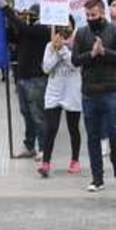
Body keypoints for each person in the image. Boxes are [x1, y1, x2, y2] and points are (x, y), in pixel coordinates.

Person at [71, 0, 116, 192]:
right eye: (87, 15)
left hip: (111, 90)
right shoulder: (81, 33)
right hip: (89, 92)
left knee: (115, 132)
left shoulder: (115, 31)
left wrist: (104, 51)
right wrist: (92, 54)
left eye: (93, 14)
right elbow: (75, 60)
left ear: (102, 13)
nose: (90, 18)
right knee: (93, 136)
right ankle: (97, 178)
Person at [2, 0, 51, 159]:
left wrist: (8, 11)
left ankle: (43, 148)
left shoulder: (44, 31)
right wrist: (10, 23)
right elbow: (12, 37)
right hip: (23, 78)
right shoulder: (27, 31)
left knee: (37, 115)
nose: (29, 18)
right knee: (26, 114)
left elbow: (24, 29)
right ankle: (29, 145)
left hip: (36, 79)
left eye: (32, 16)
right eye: (28, 15)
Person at [38, 26, 82, 177]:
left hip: (72, 91)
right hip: (54, 93)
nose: (62, 34)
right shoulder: (49, 46)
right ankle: (45, 163)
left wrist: (63, 49)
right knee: (51, 128)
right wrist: (56, 50)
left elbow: (74, 65)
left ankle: (75, 160)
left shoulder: (78, 44)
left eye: (66, 31)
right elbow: (46, 68)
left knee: (73, 128)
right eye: (59, 31)